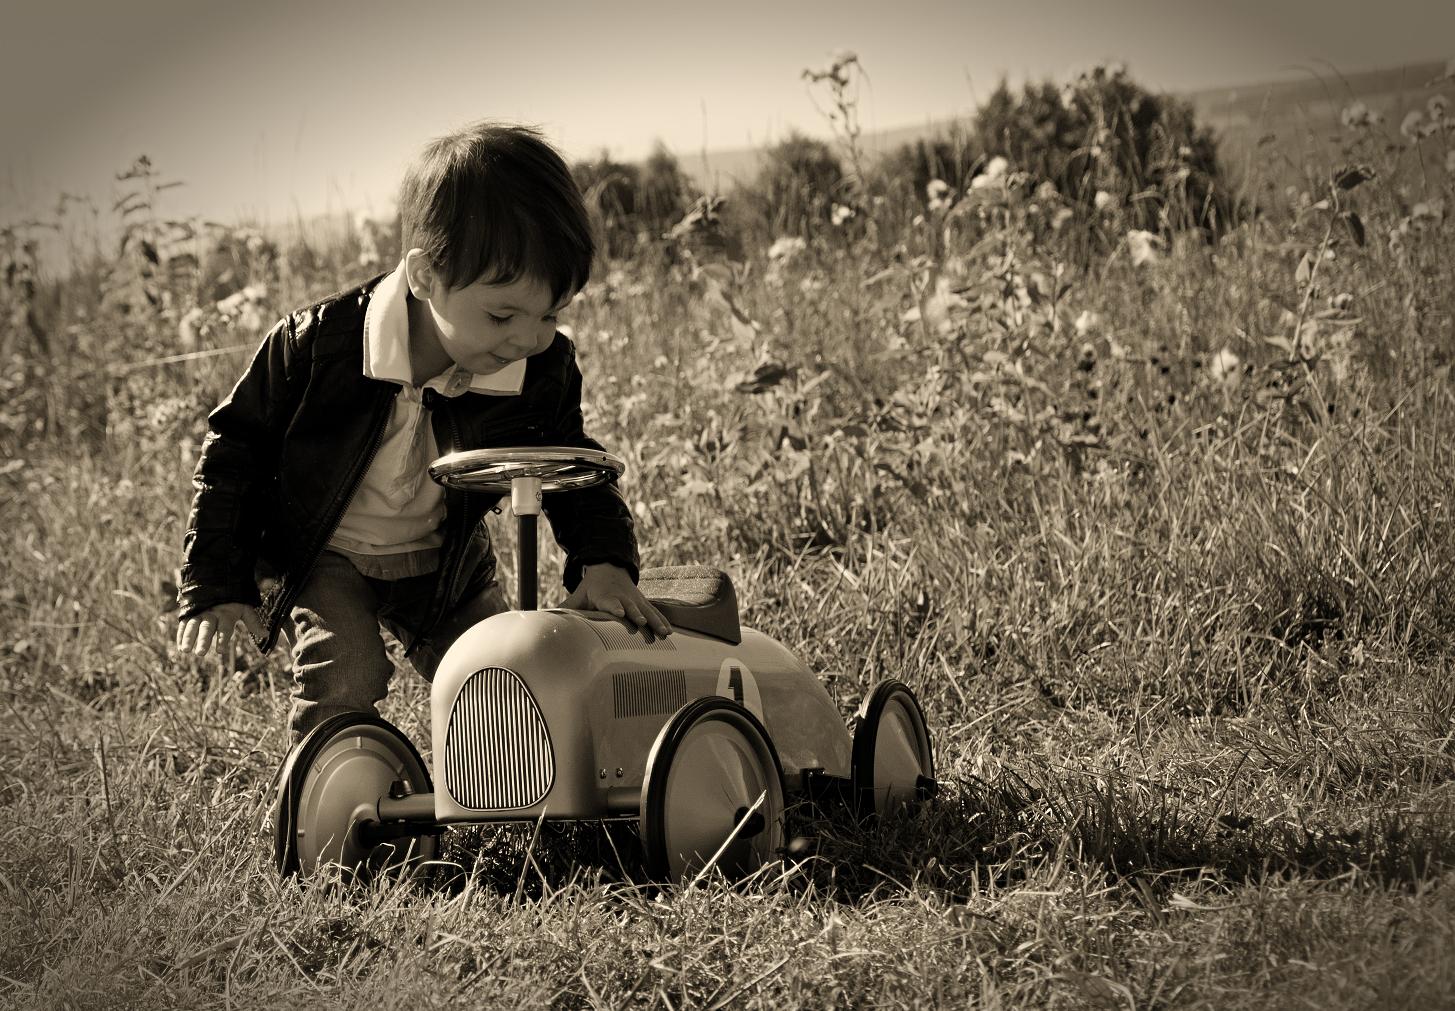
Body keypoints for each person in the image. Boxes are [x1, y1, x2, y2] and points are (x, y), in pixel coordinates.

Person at [173, 122, 671, 742]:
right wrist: (216, 582)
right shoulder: (317, 346)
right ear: (426, 276)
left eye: (550, 313)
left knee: (500, 679)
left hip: (443, 560)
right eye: (502, 313)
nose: (529, 337)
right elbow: (234, 453)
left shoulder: (539, 369)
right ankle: (326, 810)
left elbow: (569, 464)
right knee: (347, 672)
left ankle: (504, 802)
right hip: (331, 553)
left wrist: (602, 561)